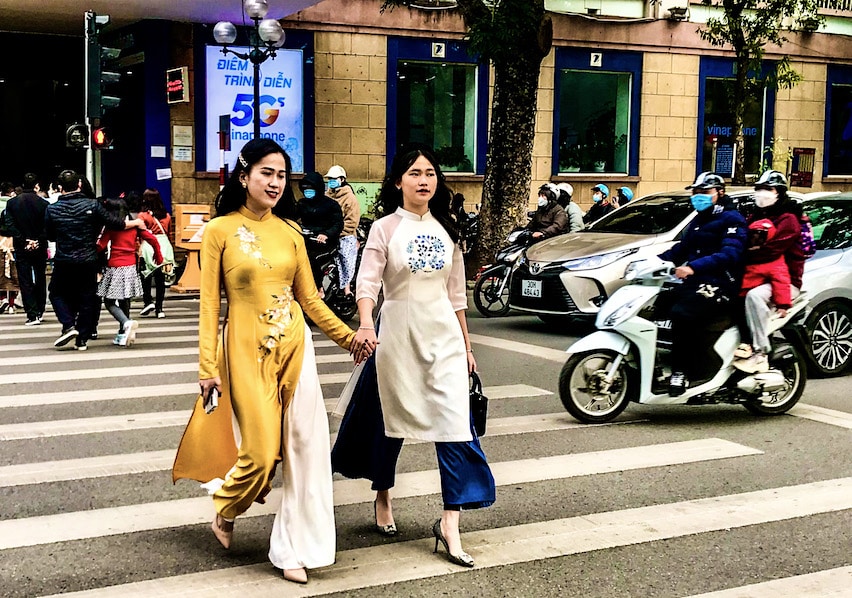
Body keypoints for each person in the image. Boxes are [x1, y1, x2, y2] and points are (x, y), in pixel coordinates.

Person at [171, 139, 361, 585]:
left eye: (281, 175)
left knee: (302, 451)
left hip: (296, 350)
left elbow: (309, 299)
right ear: (244, 176)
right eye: (266, 173)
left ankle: (294, 546)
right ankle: (226, 507)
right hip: (244, 350)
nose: (276, 182)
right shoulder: (219, 230)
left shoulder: (291, 233)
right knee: (259, 453)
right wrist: (206, 368)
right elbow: (208, 306)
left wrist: (349, 339)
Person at [344, 145, 495, 568]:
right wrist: (366, 324)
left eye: (430, 173)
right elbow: (368, 282)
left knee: (454, 426)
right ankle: (383, 494)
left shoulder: (448, 230)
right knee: (392, 424)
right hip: (397, 337)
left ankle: (450, 523)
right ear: (398, 182)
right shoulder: (384, 229)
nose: (423, 180)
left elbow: (457, 296)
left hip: (443, 337)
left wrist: (467, 346)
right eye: (414, 173)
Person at [658, 173, 747, 395]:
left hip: (722, 283)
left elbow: (730, 253)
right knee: (655, 305)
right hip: (697, 281)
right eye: (695, 192)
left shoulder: (732, 219)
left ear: (720, 193)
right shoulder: (700, 219)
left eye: (705, 193)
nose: (699, 197)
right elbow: (681, 250)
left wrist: (693, 267)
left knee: (682, 313)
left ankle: (681, 372)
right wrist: (650, 263)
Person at [44, 170, 146, 351]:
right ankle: (82, 339)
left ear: (60, 188)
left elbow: (50, 235)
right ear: (80, 185)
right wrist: (136, 223)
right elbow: (115, 223)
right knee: (87, 297)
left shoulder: (52, 209)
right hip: (88, 258)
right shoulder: (92, 205)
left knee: (56, 293)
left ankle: (68, 325)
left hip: (64, 259)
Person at [733, 171, 804, 374]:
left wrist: (744, 254)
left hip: (785, 281)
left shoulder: (788, 218)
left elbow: (770, 251)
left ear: (779, 192)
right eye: (759, 189)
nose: (762, 193)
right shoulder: (757, 215)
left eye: (768, 189)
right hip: (758, 276)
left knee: (754, 297)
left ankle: (760, 352)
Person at [96, 198, 163, 347]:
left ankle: (125, 323)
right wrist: (158, 255)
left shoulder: (110, 228)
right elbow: (152, 239)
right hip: (131, 266)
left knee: (109, 301)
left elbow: (100, 246)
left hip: (115, 266)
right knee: (125, 299)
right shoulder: (136, 226)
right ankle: (123, 332)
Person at [4, 173, 49, 325]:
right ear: (36, 185)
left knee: (25, 279)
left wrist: (24, 240)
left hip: (21, 246)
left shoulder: (12, 203)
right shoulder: (43, 204)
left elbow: (10, 225)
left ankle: (32, 313)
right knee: (40, 277)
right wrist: (37, 240)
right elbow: (47, 226)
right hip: (40, 245)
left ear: (22, 186)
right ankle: (40, 310)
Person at [296, 171, 343, 297]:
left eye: (311, 189)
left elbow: (338, 224)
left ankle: (319, 288)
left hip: (325, 242)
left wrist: (326, 234)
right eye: (305, 189)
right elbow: (292, 219)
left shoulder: (331, 205)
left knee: (311, 258)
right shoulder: (302, 204)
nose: (308, 192)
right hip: (307, 239)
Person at [324, 165, 360, 298]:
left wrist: (335, 232)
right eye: (329, 179)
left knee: (345, 259)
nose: (331, 181)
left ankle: (347, 291)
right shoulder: (326, 196)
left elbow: (352, 222)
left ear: (342, 179)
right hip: (327, 234)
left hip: (344, 235)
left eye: (334, 179)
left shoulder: (350, 198)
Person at [138, 188, 173, 318]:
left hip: (148, 246)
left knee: (146, 276)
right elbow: (169, 234)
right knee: (161, 279)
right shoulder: (167, 216)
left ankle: (148, 301)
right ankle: (159, 309)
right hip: (164, 246)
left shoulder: (142, 216)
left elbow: (140, 234)